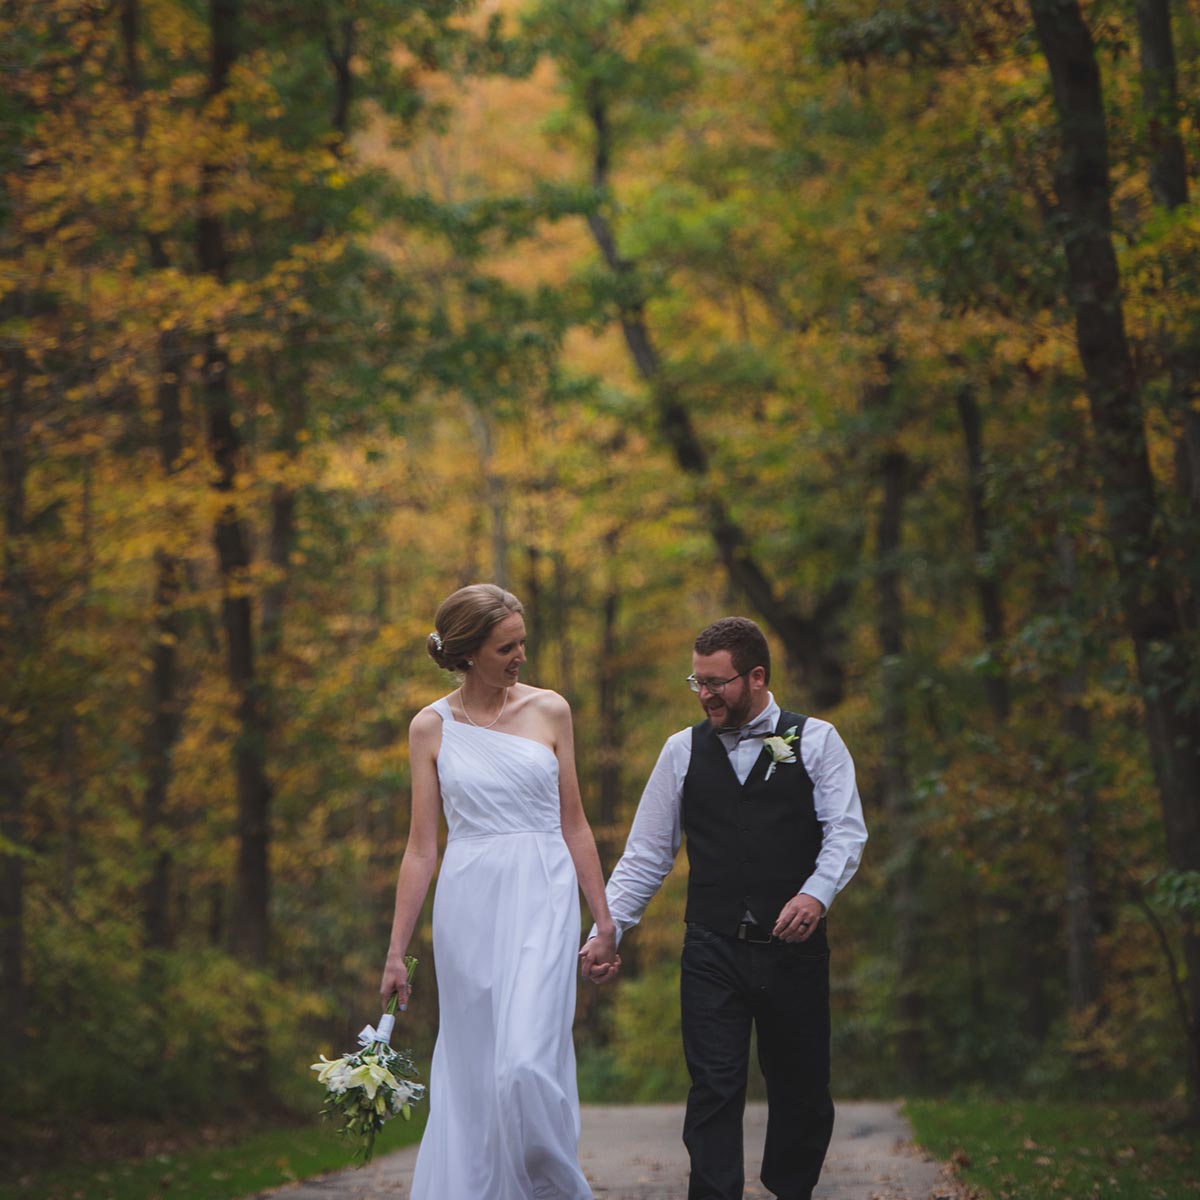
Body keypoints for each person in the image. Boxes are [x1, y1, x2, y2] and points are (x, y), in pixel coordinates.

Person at [581, 616, 867, 1200]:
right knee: (712, 1089)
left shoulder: (816, 740)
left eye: (718, 682)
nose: (705, 693)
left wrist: (816, 893)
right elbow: (645, 856)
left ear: (757, 677)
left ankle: (792, 1190)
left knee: (802, 1091)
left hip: (794, 952)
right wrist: (606, 929)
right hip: (711, 948)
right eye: (697, 681)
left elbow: (846, 833)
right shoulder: (680, 751)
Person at [379, 583, 619, 1200]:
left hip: (543, 891)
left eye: (521, 644)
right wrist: (396, 952)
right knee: (476, 1070)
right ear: (466, 652)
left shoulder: (551, 711)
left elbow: (575, 823)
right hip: (469, 902)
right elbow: (421, 847)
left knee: (525, 1065)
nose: (519, 657)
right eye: (505, 647)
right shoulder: (429, 728)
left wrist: (604, 918)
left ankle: (555, 1190)